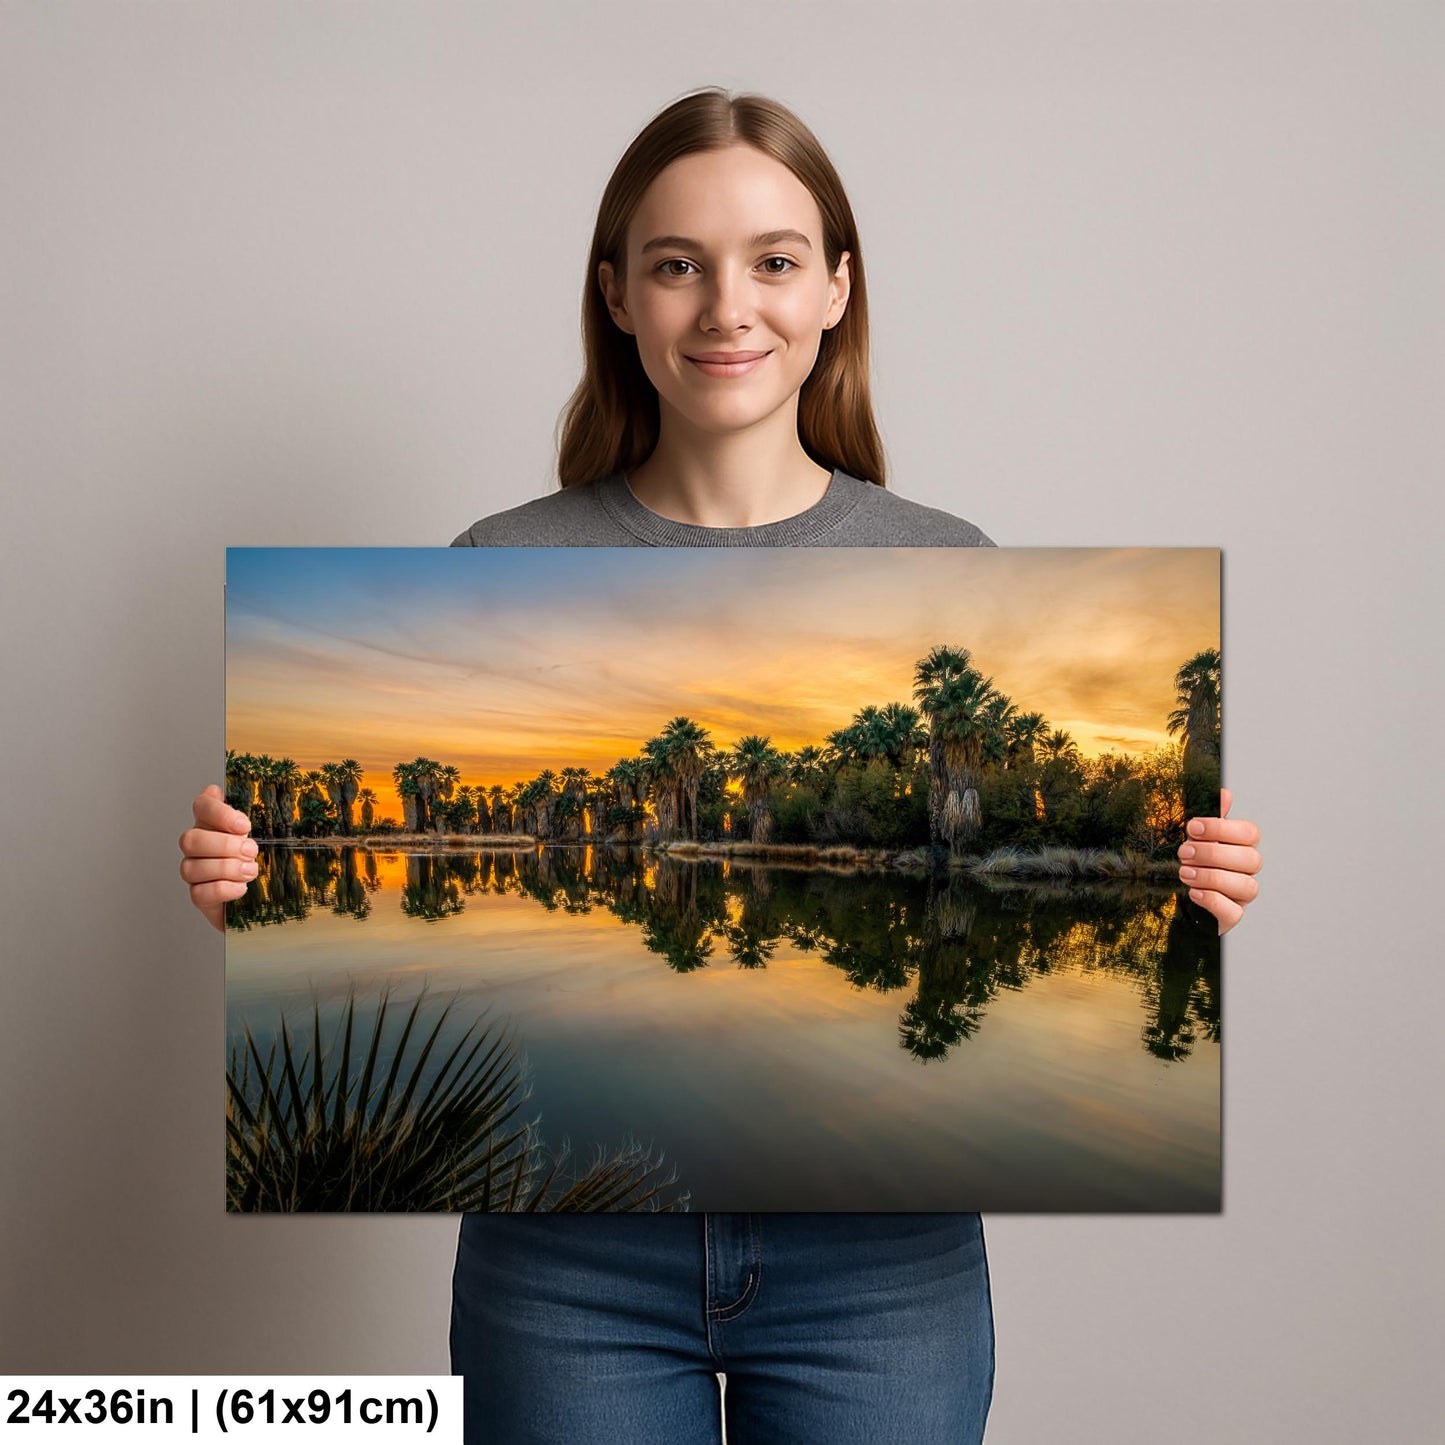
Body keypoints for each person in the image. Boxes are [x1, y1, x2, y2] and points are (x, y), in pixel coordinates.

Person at [179, 88, 1262, 1444]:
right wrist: (248, 886)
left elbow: (1060, 909)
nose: (724, 305)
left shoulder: (949, 564)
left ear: (834, 291)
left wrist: (1180, 875)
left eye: (772, 259)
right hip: (564, 1258)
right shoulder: (500, 566)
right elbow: (380, 957)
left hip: (884, 1265)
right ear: (618, 295)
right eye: (676, 262)